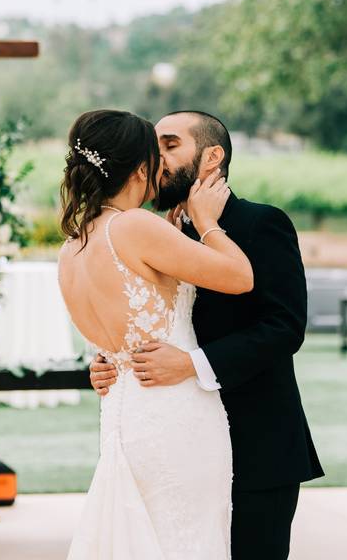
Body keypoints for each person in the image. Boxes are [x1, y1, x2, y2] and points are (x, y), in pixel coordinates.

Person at [88, 110, 325, 560]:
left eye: (170, 145)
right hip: (178, 448)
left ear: (212, 156)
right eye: (152, 146)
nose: (155, 157)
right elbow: (145, 318)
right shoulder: (153, 233)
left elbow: (285, 327)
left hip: (256, 446)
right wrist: (111, 362)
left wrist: (193, 364)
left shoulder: (261, 223)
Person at [57, 109, 253, 559]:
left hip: (123, 416)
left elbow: (112, 341)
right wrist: (207, 224)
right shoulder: (134, 226)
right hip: (174, 412)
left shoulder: (72, 245)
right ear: (142, 168)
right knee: (187, 541)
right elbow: (240, 277)